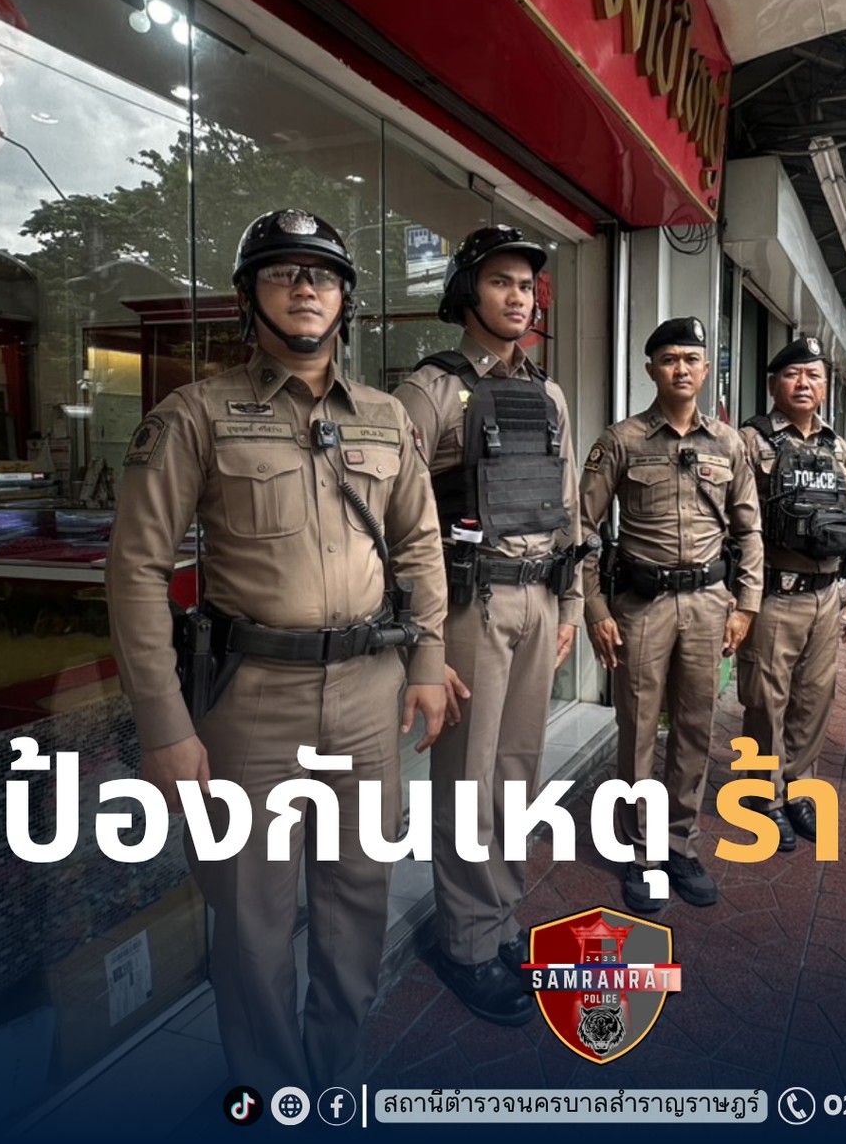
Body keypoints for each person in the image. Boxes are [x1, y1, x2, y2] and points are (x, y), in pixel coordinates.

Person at [106, 209, 451, 1091]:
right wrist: (165, 725)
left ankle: (335, 1074)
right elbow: (136, 571)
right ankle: (270, 1088)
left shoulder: (385, 418)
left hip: (369, 690)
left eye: (322, 274)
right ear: (248, 297)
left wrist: (425, 659)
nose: (305, 287)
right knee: (253, 914)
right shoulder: (196, 414)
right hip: (252, 701)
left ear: (345, 300)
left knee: (358, 896)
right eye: (282, 272)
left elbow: (420, 544)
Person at [394, 226, 582, 1027]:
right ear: (467, 290)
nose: (518, 296)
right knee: (468, 779)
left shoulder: (549, 393)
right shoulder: (432, 389)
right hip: (470, 605)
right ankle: (466, 940)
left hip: (538, 599)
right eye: (501, 281)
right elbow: (392, 518)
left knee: (515, 774)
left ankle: (500, 918)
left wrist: (572, 604)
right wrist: (424, 640)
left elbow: (569, 508)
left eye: (527, 285)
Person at [581, 317, 764, 913]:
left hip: (709, 605)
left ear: (706, 370)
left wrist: (747, 604)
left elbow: (749, 531)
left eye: (691, 358)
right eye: (669, 359)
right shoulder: (621, 441)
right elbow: (582, 528)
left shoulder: (729, 444)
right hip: (642, 606)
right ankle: (640, 851)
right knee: (637, 729)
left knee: (695, 726)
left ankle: (680, 842)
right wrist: (595, 607)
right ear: (650, 369)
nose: (681, 368)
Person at [735, 335, 846, 849]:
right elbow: (735, 525)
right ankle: (762, 795)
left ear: (826, 386)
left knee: (814, 698)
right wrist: (741, 600)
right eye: (793, 374)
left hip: (826, 595)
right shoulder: (751, 441)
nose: (804, 384)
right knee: (765, 702)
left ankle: (798, 789)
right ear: (774, 384)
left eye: (814, 375)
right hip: (774, 593)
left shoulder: (838, 447)